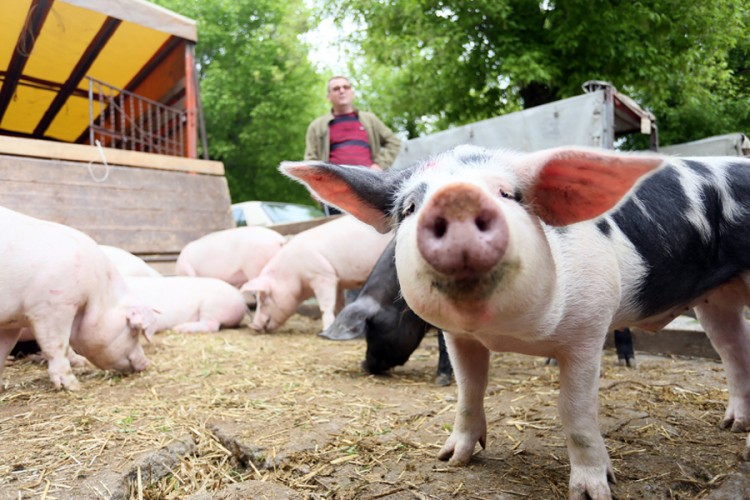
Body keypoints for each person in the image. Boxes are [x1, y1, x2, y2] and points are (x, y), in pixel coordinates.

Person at [304, 76, 402, 215]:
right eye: (336, 88)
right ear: (329, 97)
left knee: (375, 231)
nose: (342, 91)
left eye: (346, 87)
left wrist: (379, 165)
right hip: (334, 189)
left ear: (352, 93)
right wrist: (314, 186)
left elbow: (393, 141)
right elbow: (311, 159)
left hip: (368, 185)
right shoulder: (317, 126)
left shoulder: (369, 119)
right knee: (339, 232)